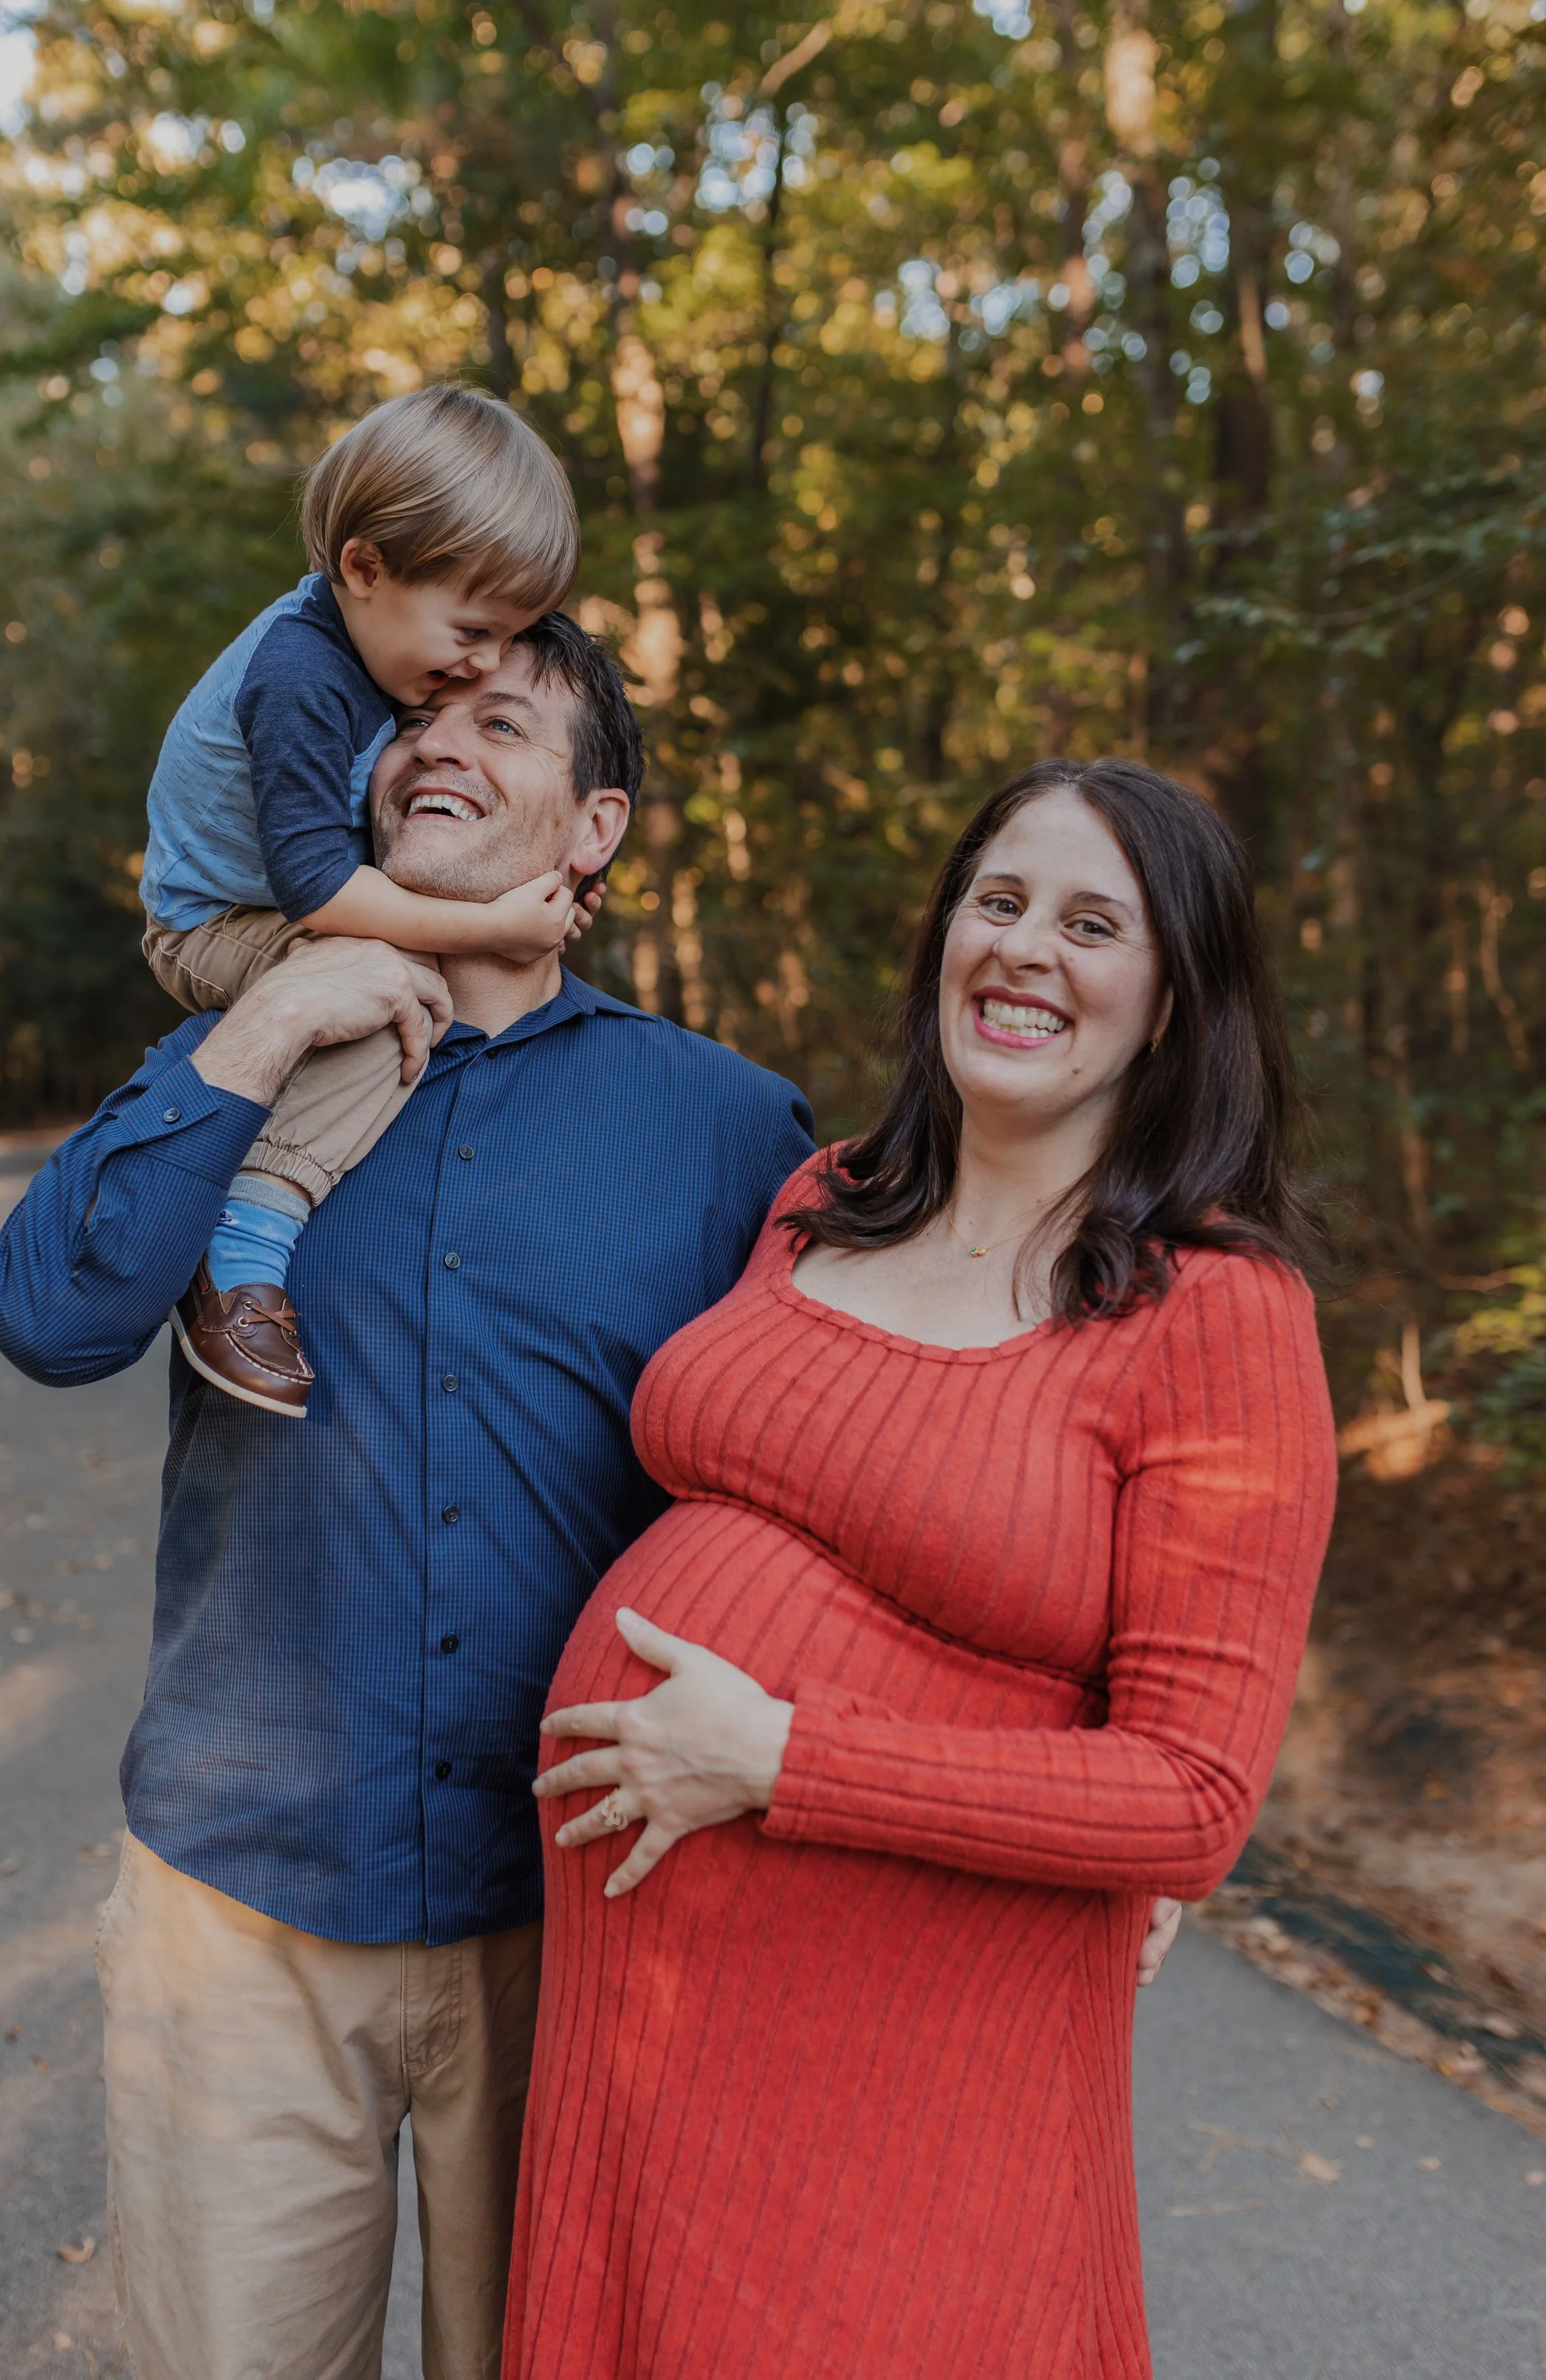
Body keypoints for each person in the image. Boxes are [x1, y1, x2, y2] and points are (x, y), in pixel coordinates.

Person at [0, 615, 818, 2380]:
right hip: (243, 1907)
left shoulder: (730, 1130)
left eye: (501, 722)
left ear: (590, 828)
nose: (434, 744)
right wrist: (280, 1003)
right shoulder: (237, 1055)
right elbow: (52, 1316)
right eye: (413, 718)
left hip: (585, 1924)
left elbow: (850, 1474)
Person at [516, 758, 1337, 2380]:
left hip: (912, 2053)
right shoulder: (827, 1196)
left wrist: (784, 1760)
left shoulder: (1217, 1315)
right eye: (999, 899)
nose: (1026, 947)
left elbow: (1187, 1793)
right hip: (644, 2016)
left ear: (1172, 1003)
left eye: (1093, 922)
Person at [138, 385, 596, 1418]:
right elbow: (319, 886)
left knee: (414, 971)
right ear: (362, 568)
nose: (479, 669)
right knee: (388, 982)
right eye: (474, 632)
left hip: (280, 901)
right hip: (211, 924)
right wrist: (492, 926)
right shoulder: (302, 675)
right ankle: (241, 1242)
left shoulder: (366, 649)